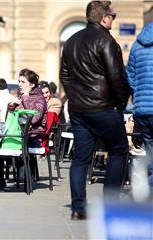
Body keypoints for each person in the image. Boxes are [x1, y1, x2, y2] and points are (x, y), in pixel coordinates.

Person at [60, 1, 130, 220]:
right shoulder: (107, 41)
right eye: (112, 17)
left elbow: (64, 76)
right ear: (104, 18)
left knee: (81, 158)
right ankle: (110, 206)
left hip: (79, 110)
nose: (113, 20)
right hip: (103, 107)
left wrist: (75, 98)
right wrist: (121, 102)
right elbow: (116, 77)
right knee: (119, 151)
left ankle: (78, 208)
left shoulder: (71, 41)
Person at [0, 68, 47, 191]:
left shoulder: (39, 98)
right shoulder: (20, 96)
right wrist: (12, 105)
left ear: (31, 84)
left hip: (31, 136)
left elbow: (34, 119)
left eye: (23, 82)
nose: (20, 84)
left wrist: (25, 99)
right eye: (19, 81)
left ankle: (23, 177)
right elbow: (11, 116)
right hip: (17, 133)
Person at [126, 22, 153, 196]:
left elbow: (130, 76)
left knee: (150, 151)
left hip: (142, 109)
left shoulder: (136, 46)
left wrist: (139, 94)